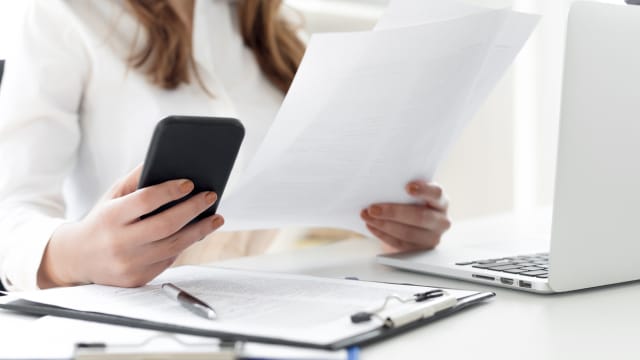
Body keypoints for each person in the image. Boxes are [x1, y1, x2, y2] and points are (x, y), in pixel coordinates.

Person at [0, 0, 451, 291]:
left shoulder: (274, 32)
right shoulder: (63, 14)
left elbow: (317, 213)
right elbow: (10, 212)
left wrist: (397, 229)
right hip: (144, 323)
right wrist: (73, 255)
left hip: (297, 306)